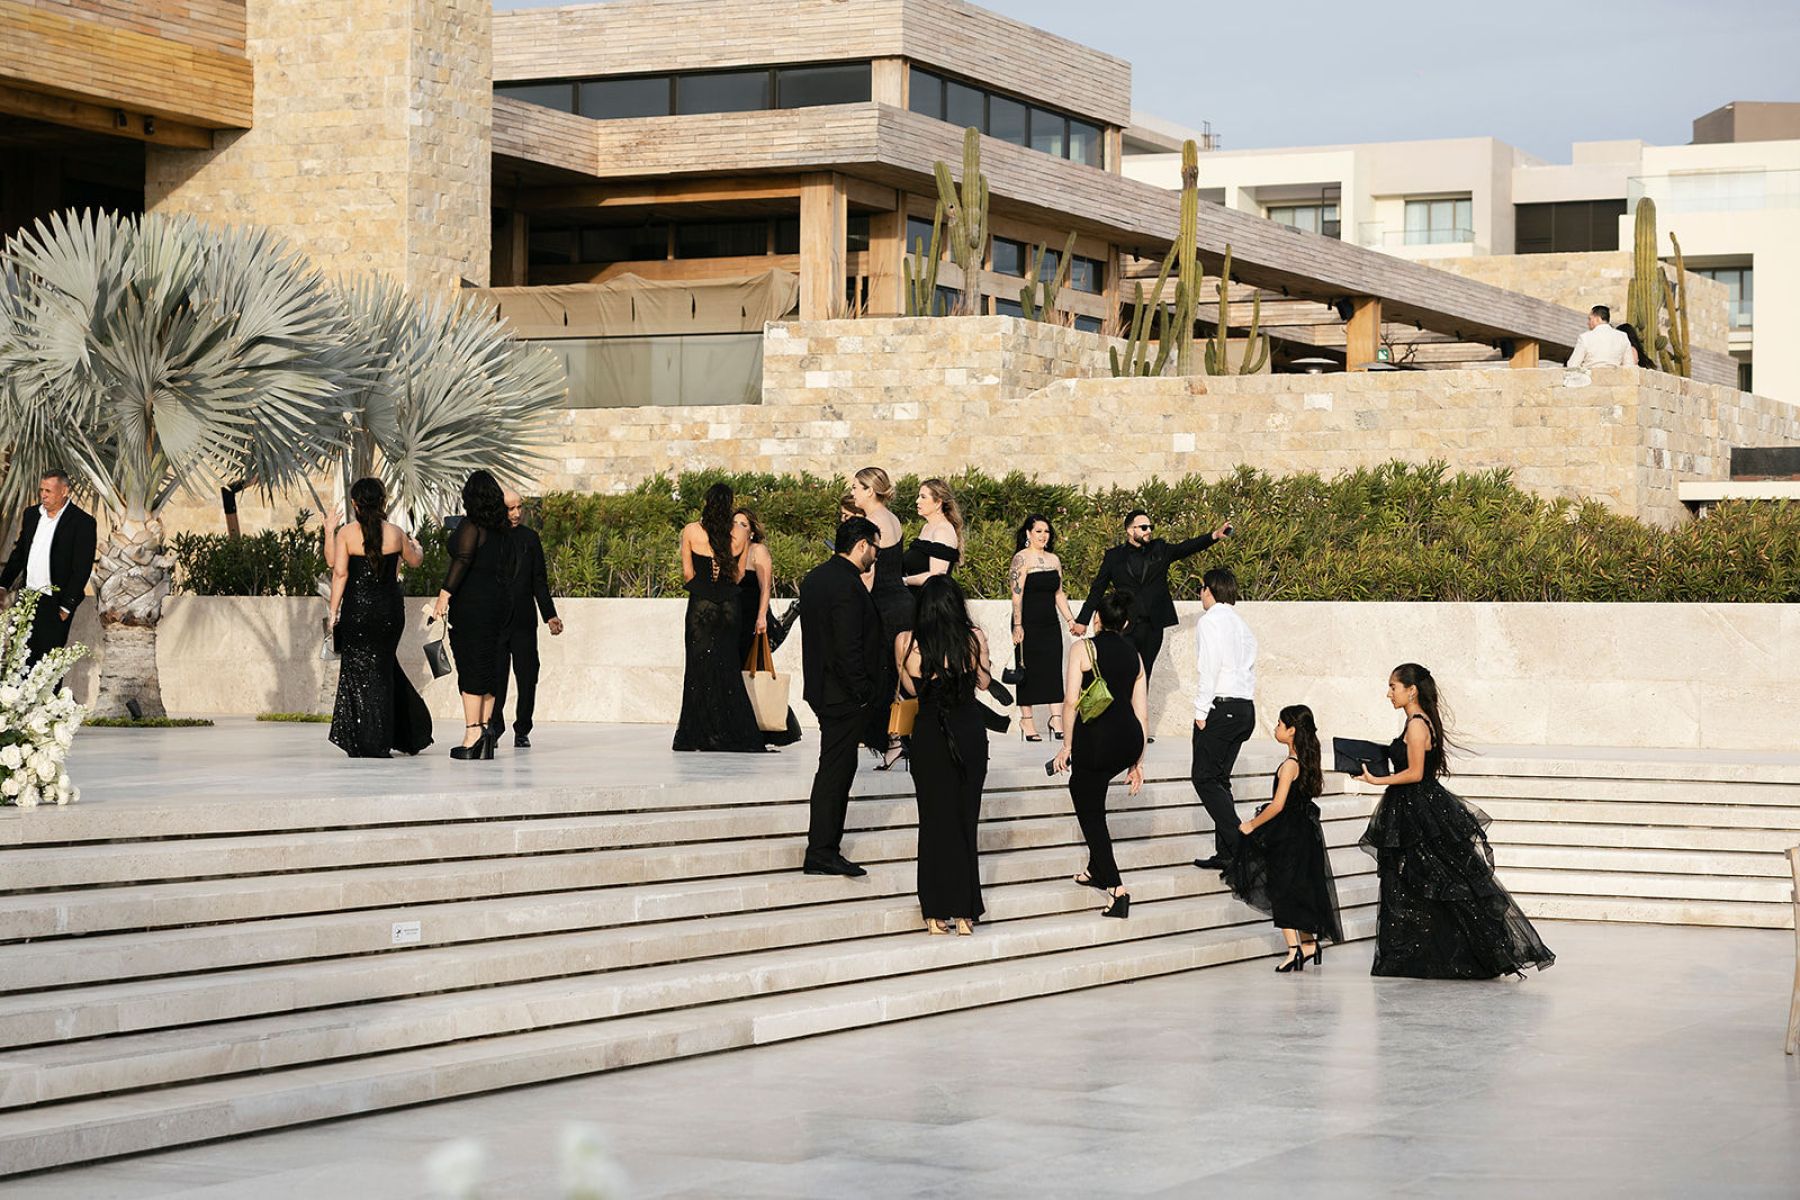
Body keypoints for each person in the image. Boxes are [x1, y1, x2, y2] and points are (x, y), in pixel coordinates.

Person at [1358, 663, 1555, 979]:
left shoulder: (1417, 725)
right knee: (1424, 881)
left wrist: (1377, 781)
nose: (1388, 693)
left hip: (1418, 807)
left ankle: (1445, 954)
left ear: (1411, 690)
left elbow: (1416, 773)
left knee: (1433, 879)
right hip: (1417, 806)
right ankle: (1426, 954)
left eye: (1393, 686)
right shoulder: (1417, 722)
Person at [1073, 508, 1231, 729]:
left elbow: (1185, 548)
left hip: (1152, 625)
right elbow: (1097, 589)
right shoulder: (1114, 556)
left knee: (1143, 674)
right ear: (1130, 530)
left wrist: (1213, 536)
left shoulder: (1160, 548)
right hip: (1125, 625)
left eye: (1150, 527)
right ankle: (1114, 720)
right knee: (1121, 671)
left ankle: (1137, 725)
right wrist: (1082, 619)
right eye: (1143, 527)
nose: (1149, 531)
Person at [896, 575, 992, 935]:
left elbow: (911, 690)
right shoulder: (972, 638)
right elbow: (982, 682)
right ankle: (965, 911)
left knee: (933, 820)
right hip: (968, 730)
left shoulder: (906, 642)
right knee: (966, 819)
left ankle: (934, 911)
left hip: (929, 735)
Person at [1222, 704, 1342, 971]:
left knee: (1281, 889)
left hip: (1287, 834)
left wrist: (1251, 825)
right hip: (1304, 832)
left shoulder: (1289, 765)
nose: (1276, 728)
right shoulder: (1309, 760)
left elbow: (1277, 805)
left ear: (1291, 731)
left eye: (1279, 724)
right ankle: (1309, 943)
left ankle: (1293, 949)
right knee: (1300, 887)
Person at [1051, 588, 1145, 919]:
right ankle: (1094, 869)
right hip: (1130, 739)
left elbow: (1071, 701)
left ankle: (1116, 889)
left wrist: (1066, 745)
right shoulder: (1135, 655)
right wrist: (1138, 762)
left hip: (1099, 739)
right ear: (1127, 623)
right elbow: (1141, 711)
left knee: (1086, 800)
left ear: (1096, 619)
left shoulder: (1083, 648)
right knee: (1095, 788)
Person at [798, 517, 884, 877]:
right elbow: (847, 647)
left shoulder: (816, 578)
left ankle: (822, 848)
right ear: (862, 545)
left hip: (824, 690)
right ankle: (822, 850)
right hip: (843, 696)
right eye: (875, 547)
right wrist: (863, 693)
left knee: (833, 770)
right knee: (836, 773)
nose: (876, 555)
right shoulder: (847, 586)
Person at [327, 477, 433, 759]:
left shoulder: (347, 534)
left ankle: (367, 738)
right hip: (388, 612)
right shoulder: (397, 533)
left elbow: (340, 574)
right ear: (382, 502)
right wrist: (418, 547)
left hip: (357, 612)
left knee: (357, 672)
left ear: (354, 504)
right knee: (383, 672)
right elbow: (415, 561)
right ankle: (393, 734)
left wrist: (333, 611)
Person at [671, 483, 767, 754]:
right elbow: (737, 576)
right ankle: (729, 734)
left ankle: (698, 735)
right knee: (727, 671)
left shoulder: (690, 531)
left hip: (701, 607)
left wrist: (706, 590)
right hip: (728, 607)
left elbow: (688, 575)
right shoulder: (739, 533)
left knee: (698, 671)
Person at [432, 470, 515, 761]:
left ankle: (472, 733)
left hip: (472, 605)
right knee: (489, 668)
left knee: (470, 667)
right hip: (498, 604)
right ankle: (484, 731)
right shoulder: (503, 530)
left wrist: (444, 595)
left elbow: (463, 559)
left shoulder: (472, 526)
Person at [1191, 567, 1259, 871]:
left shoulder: (1211, 621)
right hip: (1245, 709)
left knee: (1204, 777)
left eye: (1201, 589)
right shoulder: (1242, 624)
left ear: (1210, 590)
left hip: (1222, 707)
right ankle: (1228, 852)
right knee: (1219, 779)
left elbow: (1209, 667)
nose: (1200, 595)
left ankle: (1241, 843)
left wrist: (1201, 710)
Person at [485, 489, 562, 749]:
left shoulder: (530, 538)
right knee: (496, 677)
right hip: (496, 620)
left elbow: (539, 580)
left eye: (519, 507)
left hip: (524, 621)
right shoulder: (489, 537)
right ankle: (494, 727)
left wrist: (549, 615)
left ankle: (523, 729)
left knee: (528, 676)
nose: (516, 513)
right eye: (510, 509)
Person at [0, 469, 98, 667]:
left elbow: (82, 568)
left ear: (64, 491)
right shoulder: (31, 515)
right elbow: (19, 554)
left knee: (47, 664)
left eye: (49, 491)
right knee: (20, 659)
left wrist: (66, 606)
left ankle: (49, 699)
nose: (43, 495)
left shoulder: (82, 523)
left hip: (55, 603)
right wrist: (3, 585)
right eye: (41, 490)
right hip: (26, 598)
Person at [851, 467, 910, 767]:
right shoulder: (894, 519)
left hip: (883, 606)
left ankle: (892, 741)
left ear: (870, 491)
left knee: (881, 671)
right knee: (903, 674)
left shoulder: (870, 523)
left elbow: (869, 574)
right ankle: (901, 740)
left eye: (857, 488)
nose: (852, 493)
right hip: (903, 601)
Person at [734, 507, 801, 746]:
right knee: (736, 674)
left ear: (752, 531)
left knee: (754, 673)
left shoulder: (758, 551)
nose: (736, 527)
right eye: (734, 523)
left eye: (743, 524)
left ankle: (768, 728)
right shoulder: (731, 552)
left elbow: (765, 588)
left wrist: (762, 617)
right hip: (733, 623)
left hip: (753, 621)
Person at [1010, 513, 1075, 742]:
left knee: (1052, 668)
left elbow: (1059, 593)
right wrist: (1017, 625)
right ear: (1028, 533)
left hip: (1050, 622)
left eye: (1046, 531)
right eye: (1038, 531)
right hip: (1027, 621)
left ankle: (1056, 718)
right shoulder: (1021, 558)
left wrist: (1070, 620)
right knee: (1026, 669)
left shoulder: (1054, 560)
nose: (1043, 535)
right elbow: (1016, 595)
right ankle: (1026, 721)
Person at [900, 477, 962, 597]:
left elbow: (936, 576)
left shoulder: (943, 531)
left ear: (938, 502)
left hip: (931, 603)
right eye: (918, 496)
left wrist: (904, 581)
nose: (917, 501)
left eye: (923, 497)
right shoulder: (926, 527)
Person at [1565, 304, 1634, 370]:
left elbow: (1572, 365)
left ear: (1598, 319)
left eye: (1590, 319)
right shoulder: (1622, 337)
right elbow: (1629, 366)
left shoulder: (1585, 337)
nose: (1588, 323)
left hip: (1591, 379)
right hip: (1615, 380)